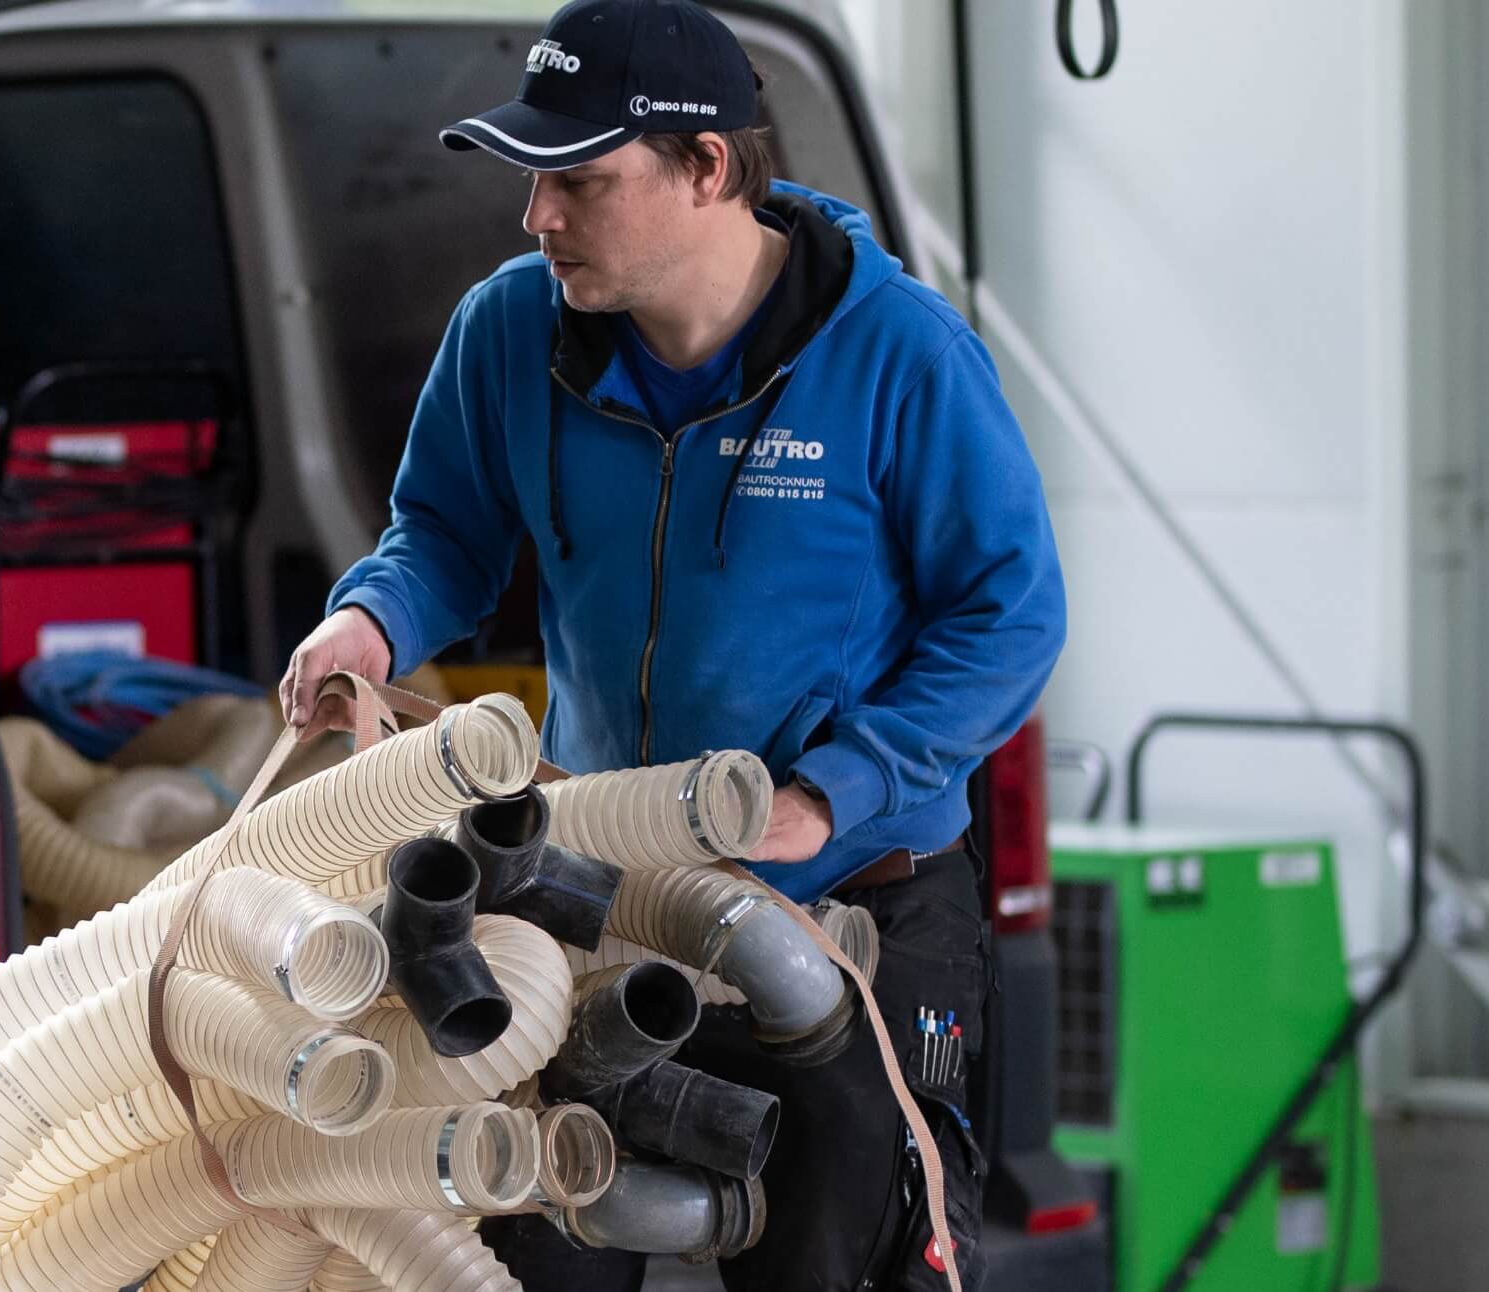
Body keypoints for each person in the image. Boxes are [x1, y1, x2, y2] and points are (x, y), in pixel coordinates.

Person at [277, 1, 1065, 1285]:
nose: (537, 215)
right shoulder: (508, 332)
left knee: (845, 1263)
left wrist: (833, 792)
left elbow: (1010, 614)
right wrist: (372, 619)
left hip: (851, 907)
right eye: (531, 177)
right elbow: (444, 534)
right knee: (524, 1256)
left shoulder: (899, 356)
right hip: (594, 896)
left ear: (705, 167)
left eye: (578, 181)